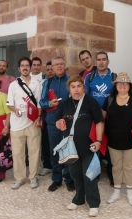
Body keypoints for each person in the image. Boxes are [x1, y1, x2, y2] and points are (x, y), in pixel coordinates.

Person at [56, 75, 104, 217]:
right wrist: (59, 124)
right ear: (69, 89)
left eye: (79, 86)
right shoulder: (65, 104)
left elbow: (100, 122)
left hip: (89, 146)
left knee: (89, 175)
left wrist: (99, 141)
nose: (76, 89)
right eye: (73, 87)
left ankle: (94, 203)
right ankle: (79, 199)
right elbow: (59, 121)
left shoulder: (91, 102)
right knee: (76, 175)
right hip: (71, 147)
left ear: (83, 88)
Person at [102, 72, 132, 206]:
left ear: (129, 86)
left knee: (130, 167)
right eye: (120, 83)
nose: (122, 85)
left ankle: (129, 192)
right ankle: (116, 192)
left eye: (125, 83)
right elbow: (101, 118)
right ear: (116, 85)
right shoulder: (109, 100)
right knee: (116, 166)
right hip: (113, 141)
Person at [7, 57, 42, 190]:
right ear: (19, 68)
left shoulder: (36, 84)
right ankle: (19, 178)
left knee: (34, 151)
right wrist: (15, 110)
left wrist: (38, 117)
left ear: (31, 67)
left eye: (27, 65)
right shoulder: (13, 85)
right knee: (17, 153)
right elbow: (10, 104)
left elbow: (39, 103)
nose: (25, 68)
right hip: (16, 124)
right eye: (23, 65)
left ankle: (33, 177)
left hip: (33, 123)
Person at [40, 56, 74, 192]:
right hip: (52, 123)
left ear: (65, 66)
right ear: (52, 68)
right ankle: (56, 179)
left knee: (68, 151)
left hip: (68, 123)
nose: (59, 66)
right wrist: (50, 103)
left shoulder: (71, 81)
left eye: (61, 64)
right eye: (56, 65)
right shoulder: (47, 83)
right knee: (54, 152)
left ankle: (69, 179)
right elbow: (41, 102)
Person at [85, 51, 116, 185]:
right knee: (94, 145)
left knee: (110, 148)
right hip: (94, 119)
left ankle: (112, 176)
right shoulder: (89, 78)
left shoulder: (114, 77)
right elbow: (85, 97)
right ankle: (95, 174)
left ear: (108, 61)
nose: (101, 62)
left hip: (111, 118)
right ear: (95, 62)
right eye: (99, 60)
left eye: (104, 59)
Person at [30, 56, 52, 176]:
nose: (36, 67)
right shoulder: (25, 78)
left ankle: (47, 164)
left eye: (39, 64)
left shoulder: (44, 79)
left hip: (43, 112)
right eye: (34, 64)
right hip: (28, 112)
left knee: (45, 139)